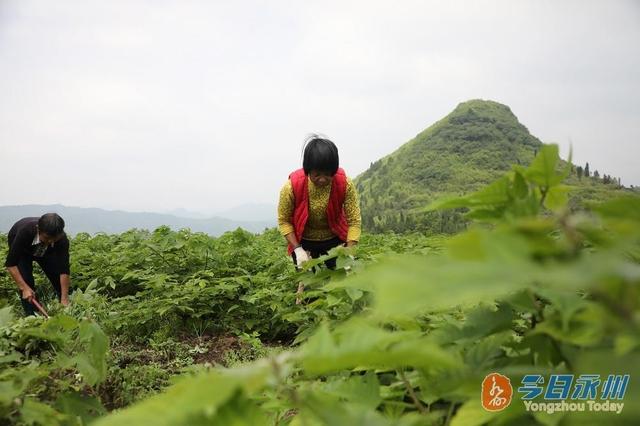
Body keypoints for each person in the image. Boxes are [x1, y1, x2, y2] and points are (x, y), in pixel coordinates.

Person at [278, 134, 362, 274]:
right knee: (308, 284)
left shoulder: (344, 184)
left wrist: (350, 253)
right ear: (308, 170)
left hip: (334, 240)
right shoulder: (292, 186)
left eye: (328, 174)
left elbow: (354, 221)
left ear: (334, 170)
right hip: (304, 241)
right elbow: (284, 221)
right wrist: (298, 249)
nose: (322, 179)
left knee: (342, 279)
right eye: (317, 174)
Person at [4, 213, 71, 315]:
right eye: (47, 237)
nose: (51, 241)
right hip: (23, 251)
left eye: (54, 238)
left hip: (45, 252)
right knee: (26, 281)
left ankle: (65, 310)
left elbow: (64, 270)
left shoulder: (61, 240)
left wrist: (64, 298)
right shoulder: (25, 231)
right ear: (38, 229)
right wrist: (24, 288)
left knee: (57, 277)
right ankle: (32, 316)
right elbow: (11, 264)